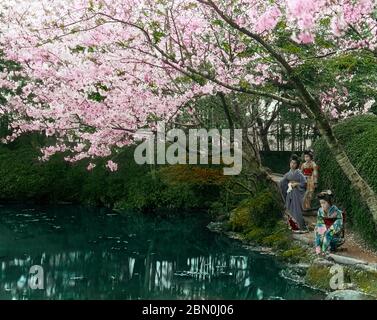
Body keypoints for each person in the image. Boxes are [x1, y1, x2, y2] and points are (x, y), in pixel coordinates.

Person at [280, 154, 307, 231]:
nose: (292, 165)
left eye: (294, 163)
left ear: (297, 164)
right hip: (290, 193)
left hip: (297, 193)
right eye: (291, 163)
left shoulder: (299, 173)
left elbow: (304, 183)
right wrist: (286, 184)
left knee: (296, 209)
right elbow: (282, 182)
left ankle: (300, 226)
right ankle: (292, 226)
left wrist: (297, 184)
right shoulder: (288, 174)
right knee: (289, 208)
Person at [315, 190, 344, 255]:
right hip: (325, 233)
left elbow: (336, 229)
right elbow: (320, 225)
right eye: (321, 203)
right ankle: (319, 249)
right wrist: (318, 246)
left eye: (324, 203)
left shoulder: (337, 213)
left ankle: (325, 250)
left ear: (329, 202)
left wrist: (323, 251)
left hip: (335, 236)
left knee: (328, 234)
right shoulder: (320, 211)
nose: (322, 205)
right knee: (318, 231)